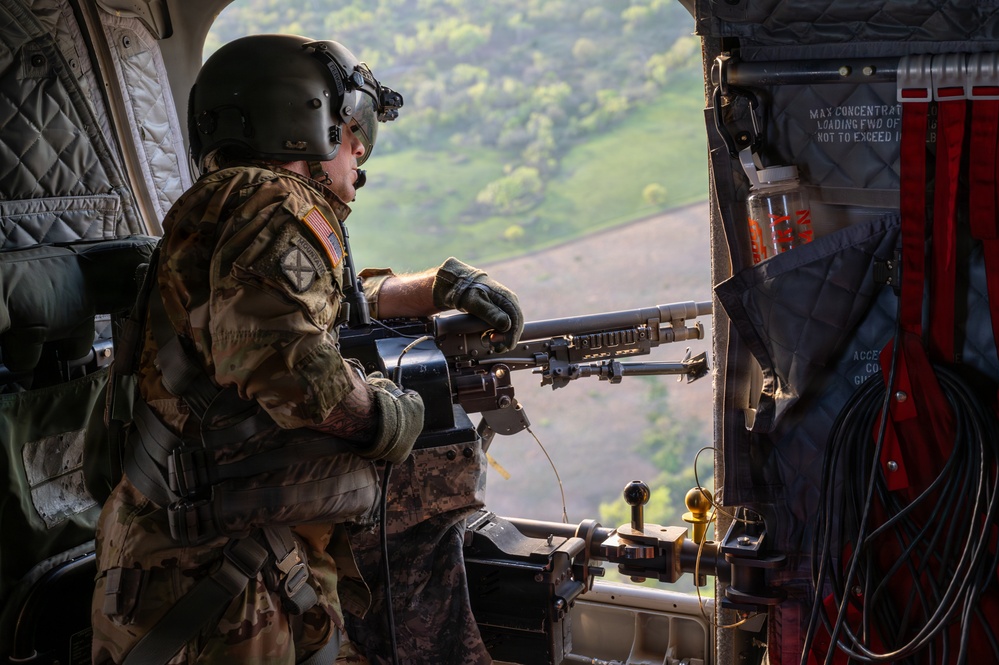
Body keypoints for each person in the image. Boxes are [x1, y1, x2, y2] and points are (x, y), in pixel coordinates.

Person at [91, 33, 523, 665]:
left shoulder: (231, 206)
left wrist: (436, 286)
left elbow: (313, 308)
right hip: (222, 580)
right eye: (352, 130)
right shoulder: (276, 205)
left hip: (192, 555)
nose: (360, 156)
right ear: (304, 124)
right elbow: (295, 372)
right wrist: (385, 417)